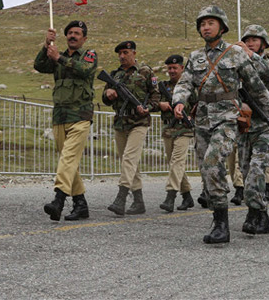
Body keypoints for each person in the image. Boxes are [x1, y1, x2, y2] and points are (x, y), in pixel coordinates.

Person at [170, 6, 269, 244]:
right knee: (205, 169)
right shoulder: (196, 57)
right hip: (202, 119)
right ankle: (218, 218)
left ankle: (222, 225)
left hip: (227, 117)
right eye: (202, 24)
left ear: (222, 26)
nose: (205, 27)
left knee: (213, 163)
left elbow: (256, 87)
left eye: (210, 22)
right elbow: (185, 83)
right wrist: (178, 101)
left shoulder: (235, 54)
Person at [34, 20, 97, 221]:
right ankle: (81, 204)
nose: (73, 36)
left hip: (80, 116)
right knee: (68, 162)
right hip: (60, 116)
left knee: (68, 158)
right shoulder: (55, 54)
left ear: (84, 38)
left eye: (77, 33)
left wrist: (59, 58)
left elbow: (85, 70)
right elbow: (39, 66)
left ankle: (58, 200)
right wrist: (46, 47)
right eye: (70, 32)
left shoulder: (89, 55)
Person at [102, 41, 160, 216]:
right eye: (119, 53)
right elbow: (104, 98)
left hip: (139, 121)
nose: (122, 56)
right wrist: (108, 94)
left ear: (134, 53)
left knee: (129, 158)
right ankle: (139, 200)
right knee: (127, 161)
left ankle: (121, 197)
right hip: (121, 121)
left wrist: (148, 107)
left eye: (125, 52)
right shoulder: (115, 75)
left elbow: (156, 96)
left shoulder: (145, 72)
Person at [236, 24, 269, 234]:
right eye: (247, 40)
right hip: (245, 126)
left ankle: (253, 215)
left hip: (265, 126)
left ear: (263, 43)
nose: (251, 43)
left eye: (255, 40)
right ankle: (262, 215)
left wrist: (249, 55)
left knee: (256, 171)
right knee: (246, 172)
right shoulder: (239, 63)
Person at [157, 55, 195, 212]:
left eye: (175, 68)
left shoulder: (188, 87)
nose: (172, 71)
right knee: (174, 163)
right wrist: (160, 104)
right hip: (168, 129)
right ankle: (187, 196)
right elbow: (151, 103)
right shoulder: (163, 87)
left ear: (182, 68)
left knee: (177, 162)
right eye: (169, 68)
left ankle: (170, 196)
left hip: (184, 129)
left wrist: (193, 116)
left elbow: (198, 104)